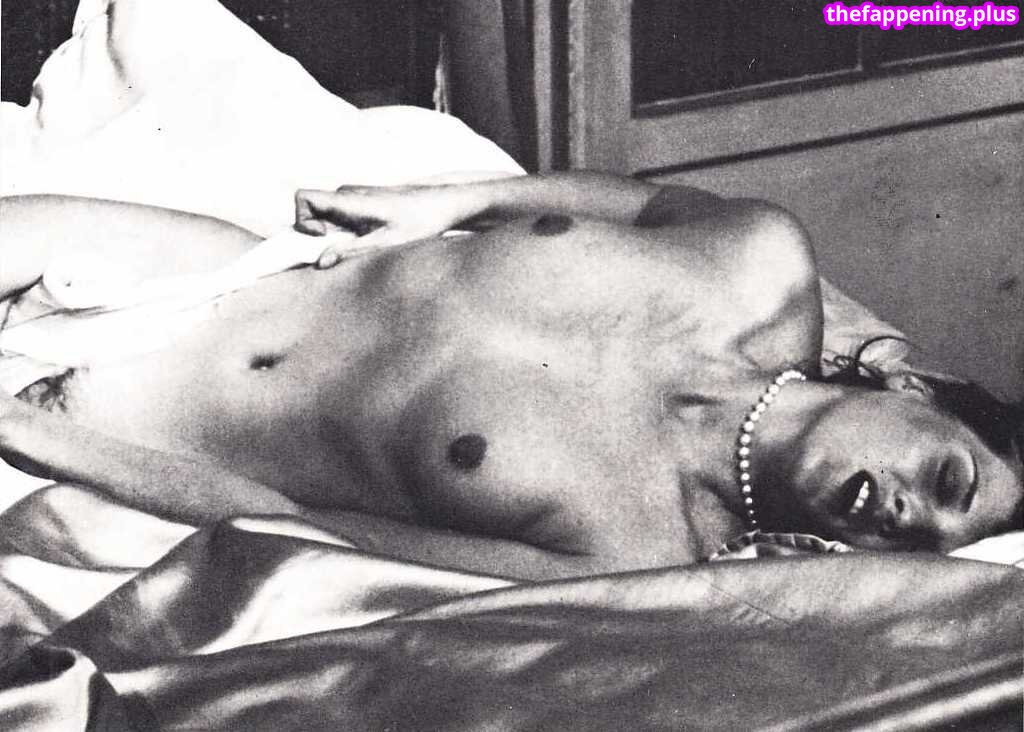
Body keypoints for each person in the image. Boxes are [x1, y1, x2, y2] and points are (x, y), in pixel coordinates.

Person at [1, 172, 1021, 580]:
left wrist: (56, 443)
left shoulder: (633, 553)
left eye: (929, 541)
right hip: (223, 271)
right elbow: (653, 204)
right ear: (917, 392)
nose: (910, 516)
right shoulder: (761, 260)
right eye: (947, 479)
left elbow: (298, 525)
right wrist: (459, 199)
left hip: (129, 422)